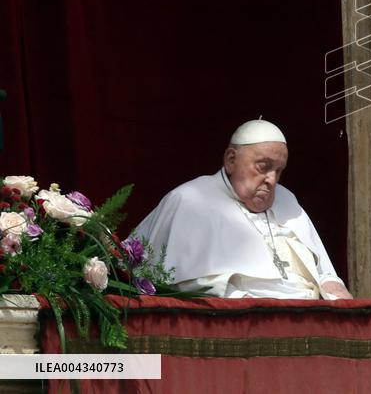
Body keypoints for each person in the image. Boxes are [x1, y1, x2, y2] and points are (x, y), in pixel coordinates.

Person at [133, 119, 352, 300]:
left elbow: (322, 269)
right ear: (231, 160)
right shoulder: (190, 200)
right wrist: (239, 298)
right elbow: (180, 281)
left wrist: (330, 282)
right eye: (263, 167)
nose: (272, 180)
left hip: (306, 312)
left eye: (278, 171)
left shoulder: (287, 200)